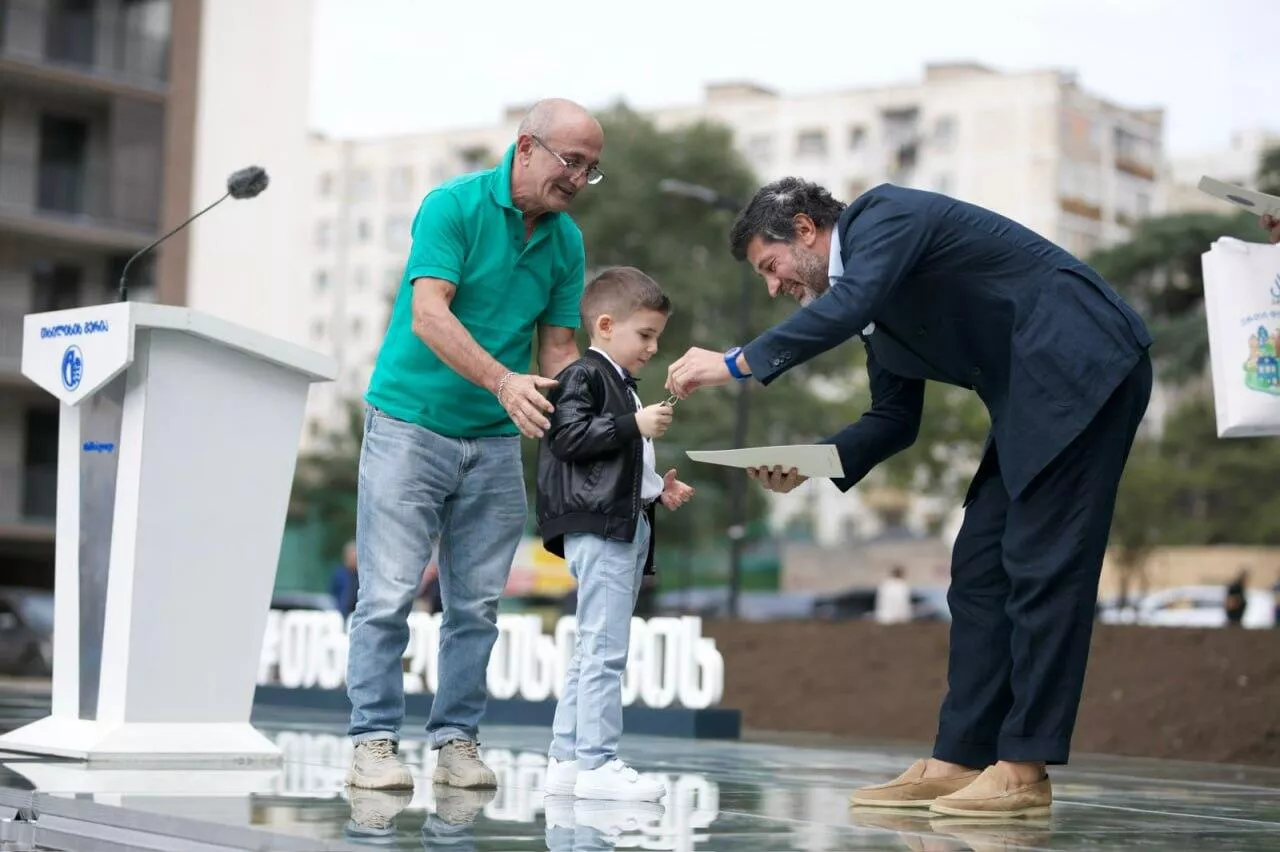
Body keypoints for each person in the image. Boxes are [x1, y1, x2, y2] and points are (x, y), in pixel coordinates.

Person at [665, 178, 1153, 818]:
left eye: (770, 266)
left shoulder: (883, 217)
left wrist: (735, 364)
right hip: (1029, 395)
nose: (773, 287)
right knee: (979, 569)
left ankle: (1024, 767)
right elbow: (895, 419)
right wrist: (809, 464)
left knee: (1042, 565)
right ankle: (960, 759)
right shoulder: (871, 303)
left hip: (1083, 360)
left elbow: (847, 307)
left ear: (805, 229)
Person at [344, 98, 605, 792]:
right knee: (387, 595)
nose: (579, 178)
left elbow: (558, 348)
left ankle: (456, 743)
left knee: (477, 606)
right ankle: (372, 743)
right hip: (408, 424)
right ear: (526, 147)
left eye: (591, 169)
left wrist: (603, 415)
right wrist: (502, 382)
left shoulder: (567, 243)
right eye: (571, 161)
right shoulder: (451, 206)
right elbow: (429, 314)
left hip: (493, 440)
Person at [535, 267, 694, 801]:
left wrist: (656, 488)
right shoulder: (585, 375)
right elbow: (568, 437)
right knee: (605, 650)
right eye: (645, 334)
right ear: (605, 325)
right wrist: (633, 425)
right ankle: (598, 763)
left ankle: (566, 759)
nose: (653, 348)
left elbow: (610, 465)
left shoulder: (620, 385)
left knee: (592, 649)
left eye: (657, 337)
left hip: (620, 522)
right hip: (602, 529)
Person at [329, 541, 359, 618]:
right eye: (351, 553)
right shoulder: (339, 574)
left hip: (356, 613)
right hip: (340, 613)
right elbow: (332, 594)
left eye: (354, 554)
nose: (353, 557)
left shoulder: (361, 575)